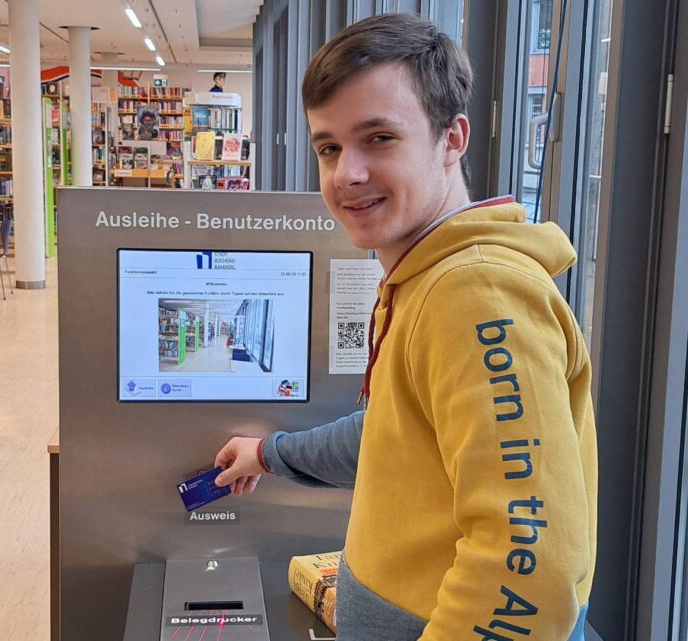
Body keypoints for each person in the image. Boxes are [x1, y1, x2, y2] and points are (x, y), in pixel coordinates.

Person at [213, 13, 597, 641]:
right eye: (329, 147)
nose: (347, 175)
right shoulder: (422, 281)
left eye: (379, 138)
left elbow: (528, 563)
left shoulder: (474, 294)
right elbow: (392, 432)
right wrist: (271, 454)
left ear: (452, 140)